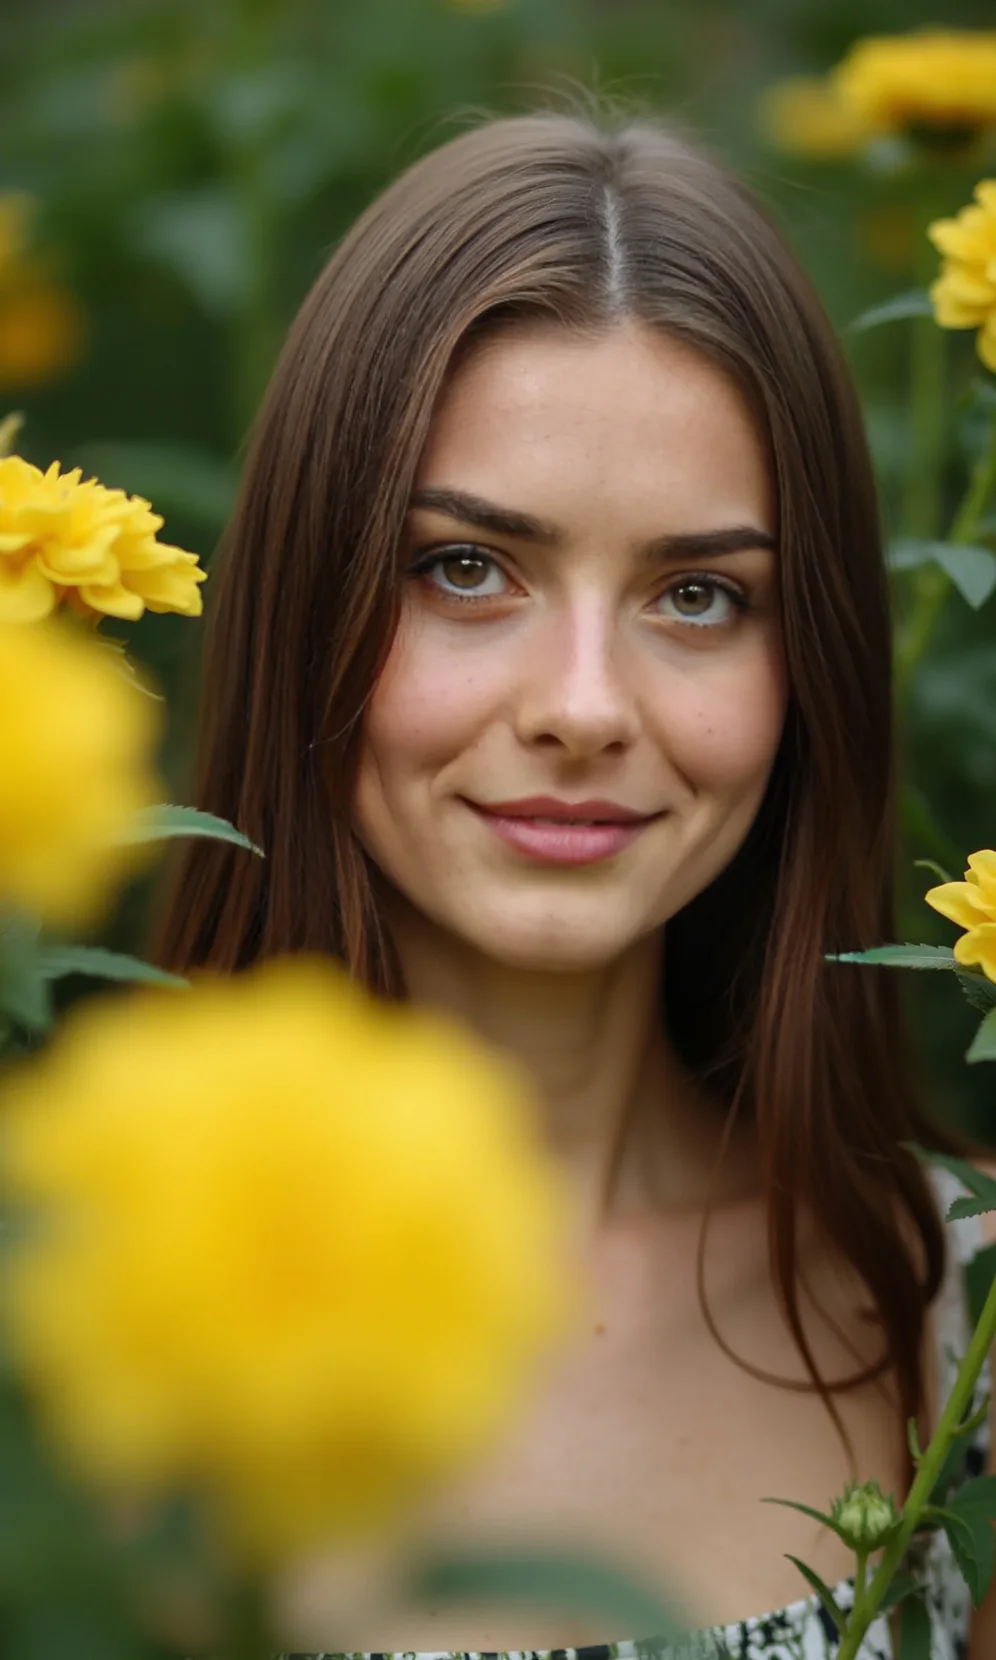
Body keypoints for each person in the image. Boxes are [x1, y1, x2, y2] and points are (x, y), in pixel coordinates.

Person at [148, 106, 995, 1659]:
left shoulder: (959, 1325)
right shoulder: (68, 1314)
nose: (586, 706)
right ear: (303, 601)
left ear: (808, 666)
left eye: (697, 594)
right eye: (466, 567)